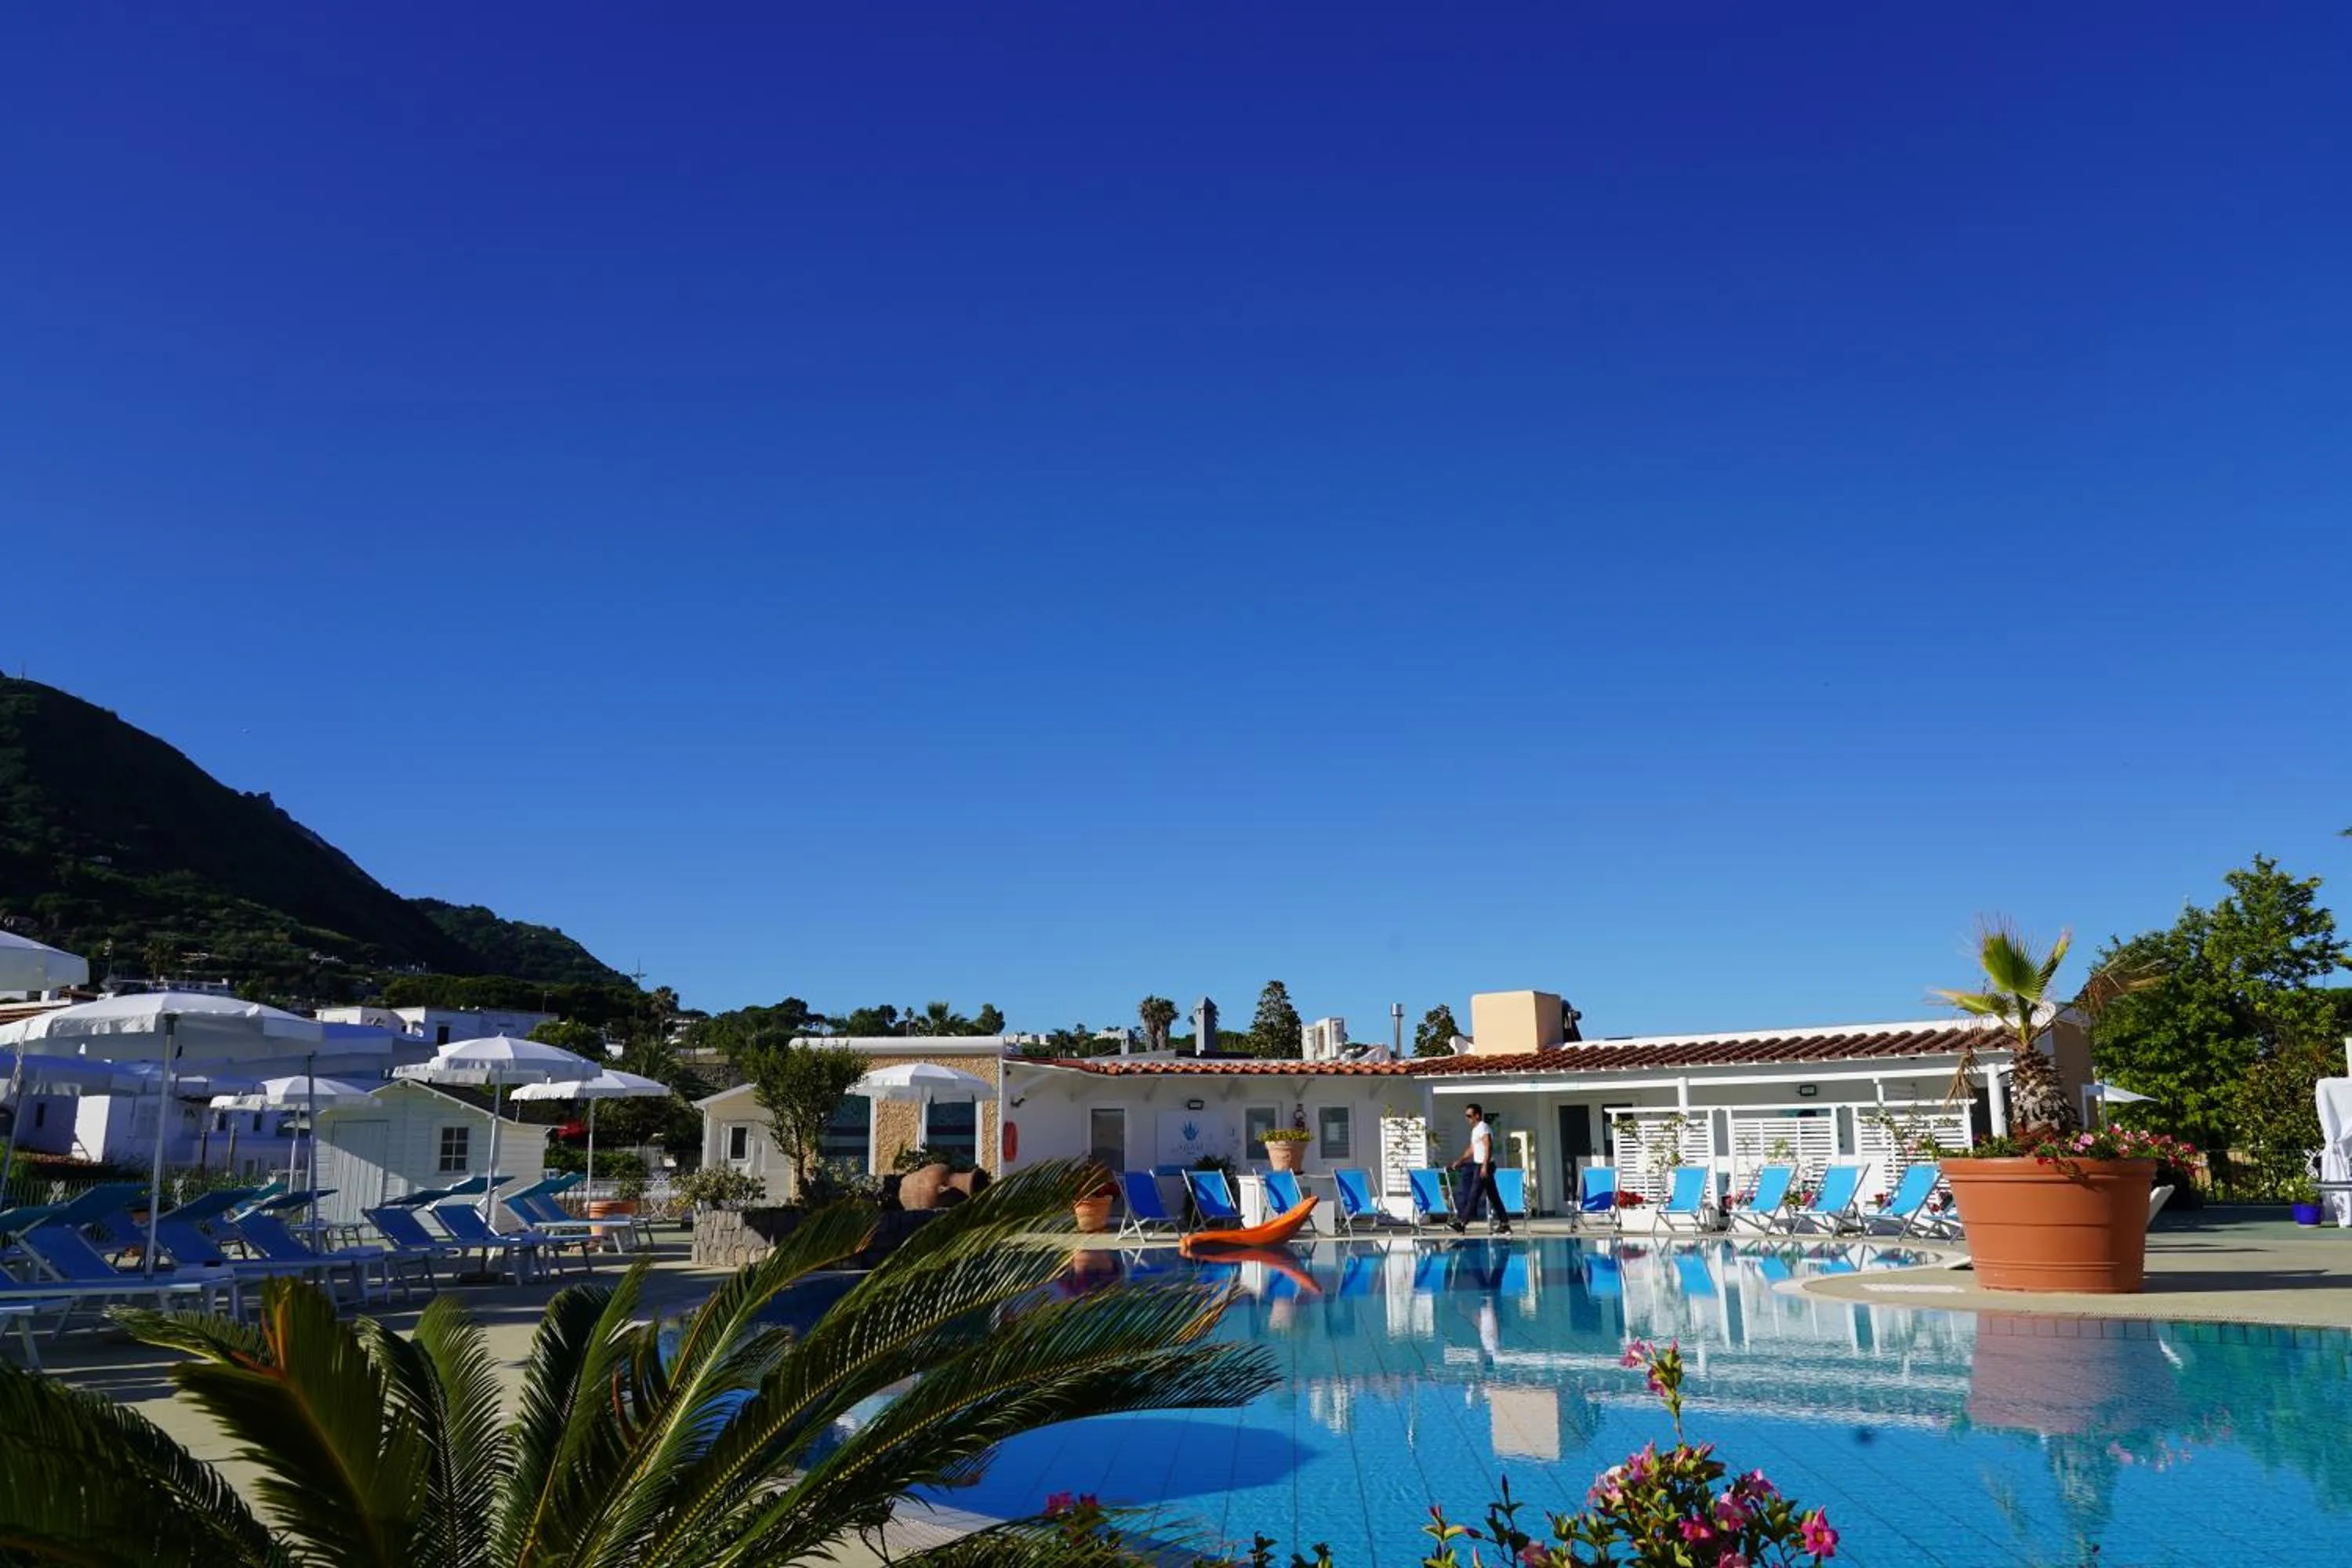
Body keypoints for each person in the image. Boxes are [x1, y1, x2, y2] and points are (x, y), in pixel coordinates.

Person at [1446, 1102, 1510, 1235]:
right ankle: (1505, 1224)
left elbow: (1489, 1146)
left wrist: (1485, 1166)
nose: (1467, 1119)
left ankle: (1462, 1223)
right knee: (1493, 1196)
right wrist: (1460, 1161)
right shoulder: (1476, 1130)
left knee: (1474, 1194)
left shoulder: (1483, 1127)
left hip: (1484, 1165)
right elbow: (1472, 1149)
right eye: (1466, 1116)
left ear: (1477, 1115)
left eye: (1469, 1116)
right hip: (1480, 1165)